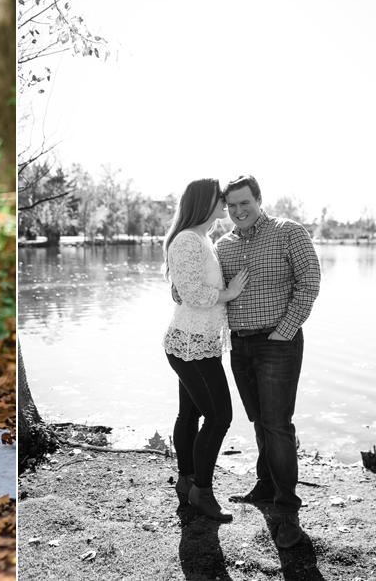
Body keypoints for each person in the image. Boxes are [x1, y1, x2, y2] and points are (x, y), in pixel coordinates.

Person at [216, 174, 320, 548]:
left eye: (245, 202)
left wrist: (284, 331)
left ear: (259, 199)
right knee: (259, 420)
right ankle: (264, 485)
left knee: (277, 424)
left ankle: (288, 512)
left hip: (279, 341)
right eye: (232, 205)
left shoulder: (288, 232)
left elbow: (309, 282)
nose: (239, 211)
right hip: (240, 346)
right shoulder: (222, 246)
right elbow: (211, 290)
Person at [162, 178, 248, 522]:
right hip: (190, 342)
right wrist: (229, 293)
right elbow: (193, 293)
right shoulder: (187, 240)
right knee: (219, 417)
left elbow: (185, 287)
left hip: (199, 341)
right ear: (205, 202)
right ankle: (202, 490)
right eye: (220, 199)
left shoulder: (202, 239)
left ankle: (186, 481)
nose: (225, 204)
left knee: (191, 415)